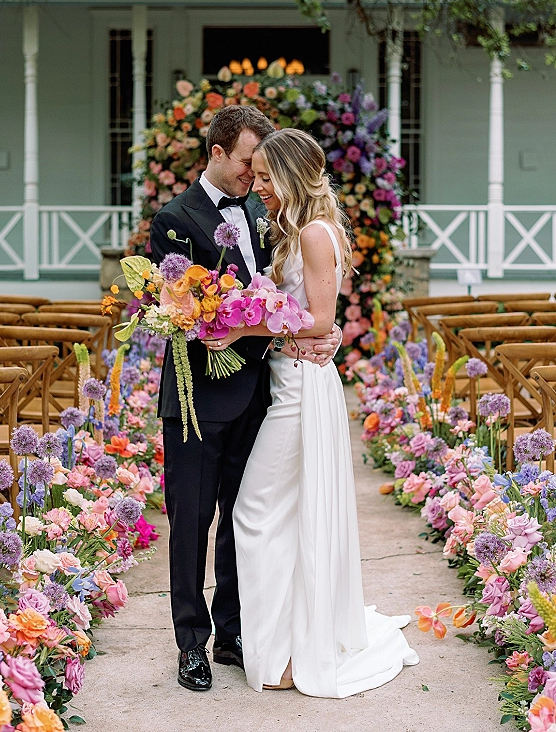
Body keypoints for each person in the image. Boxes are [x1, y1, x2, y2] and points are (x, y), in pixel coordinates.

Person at [209, 127, 419, 697]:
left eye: (271, 178)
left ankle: (292, 649)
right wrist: (260, 322)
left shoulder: (314, 235)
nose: (261, 188)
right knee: (287, 515)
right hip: (290, 379)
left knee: (253, 511)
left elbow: (323, 320)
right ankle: (290, 641)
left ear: (295, 177)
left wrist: (240, 326)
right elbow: (302, 316)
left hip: (302, 391)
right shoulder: (292, 232)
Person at [149, 107, 340, 692]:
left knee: (243, 517)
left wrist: (319, 329)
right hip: (198, 396)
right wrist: (298, 326)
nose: (253, 182)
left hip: (265, 391)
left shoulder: (266, 213)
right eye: (245, 167)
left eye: (261, 171)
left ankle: (233, 633)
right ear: (217, 152)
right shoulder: (174, 220)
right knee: (191, 521)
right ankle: (191, 643)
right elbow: (173, 306)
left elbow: (296, 295)